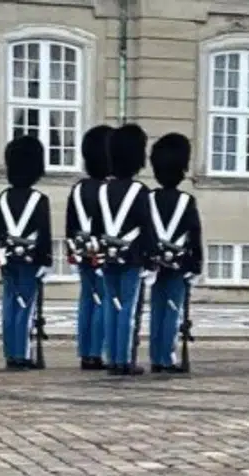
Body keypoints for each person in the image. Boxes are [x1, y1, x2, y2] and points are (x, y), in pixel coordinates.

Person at [97, 124, 156, 376]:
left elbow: (97, 225)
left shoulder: (103, 190)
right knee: (128, 309)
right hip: (132, 257)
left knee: (111, 306)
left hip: (108, 256)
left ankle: (111, 357)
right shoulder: (140, 191)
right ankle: (124, 359)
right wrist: (151, 259)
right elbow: (147, 227)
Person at [0, 135, 51, 370]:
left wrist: (1, 255)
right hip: (30, 260)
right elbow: (44, 234)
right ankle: (22, 355)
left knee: (9, 306)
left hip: (8, 259)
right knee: (25, 307)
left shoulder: (2, 199)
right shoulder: (39, 200)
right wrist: (45, 262)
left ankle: (10, 354)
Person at [146, 133, 202, 374]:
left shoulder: (149, 199)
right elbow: (194, 235)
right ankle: (166, 358)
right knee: (171, 310)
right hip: (179, 264)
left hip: (155, 263)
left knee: (157, 310)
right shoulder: (186, 201)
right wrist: (196, 265)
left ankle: (155, 357)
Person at [67, 125, 113, 370]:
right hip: (102, 251)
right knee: (103, 300)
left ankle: (85, 351)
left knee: (87, 299)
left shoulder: (78, 188)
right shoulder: (107, 189)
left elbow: (70, 222)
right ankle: (96, 352)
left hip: (81, 249)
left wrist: (72, 252)